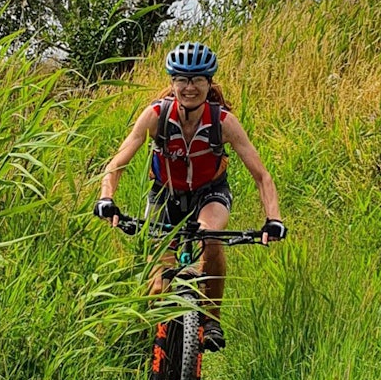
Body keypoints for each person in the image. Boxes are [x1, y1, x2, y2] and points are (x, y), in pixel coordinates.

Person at [93, 41, 285, 351]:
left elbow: (262, 175)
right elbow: (118, 161)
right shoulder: (156, 116)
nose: (189, 87)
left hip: (210, 193)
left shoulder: (223, 122)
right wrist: (106, 198)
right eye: (181, 79)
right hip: (164, 196)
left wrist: (273, 219)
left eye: (197, 79)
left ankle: (211, 319)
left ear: (209, 83)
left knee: (210, 236)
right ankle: (151, 350)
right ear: (172, 82)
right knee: (159, 284)